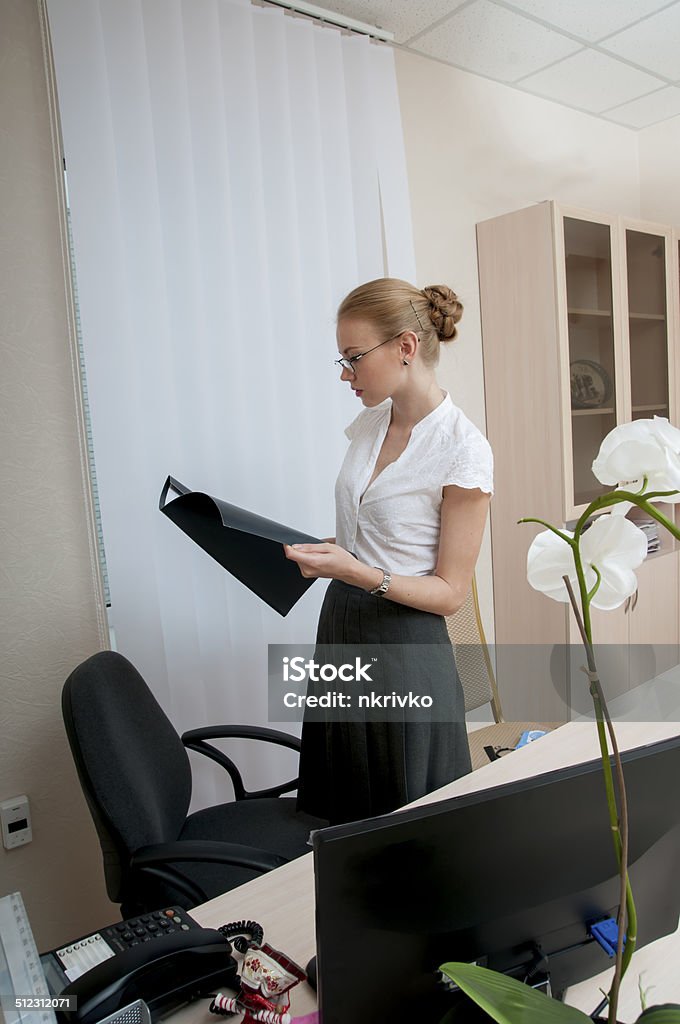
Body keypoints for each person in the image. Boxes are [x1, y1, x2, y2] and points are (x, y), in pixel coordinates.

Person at [284, 278, 493, 825]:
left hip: (404, 644)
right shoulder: (371, 423)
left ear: (405, 347)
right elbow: (373, 534)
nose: (345, 374)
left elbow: (450, 594)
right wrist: (327, 553)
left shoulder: (462, 450)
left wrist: (355, 570)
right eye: (342, 360)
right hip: (341, 625)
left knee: (405, 822)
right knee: (341, 810)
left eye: (353, 358)